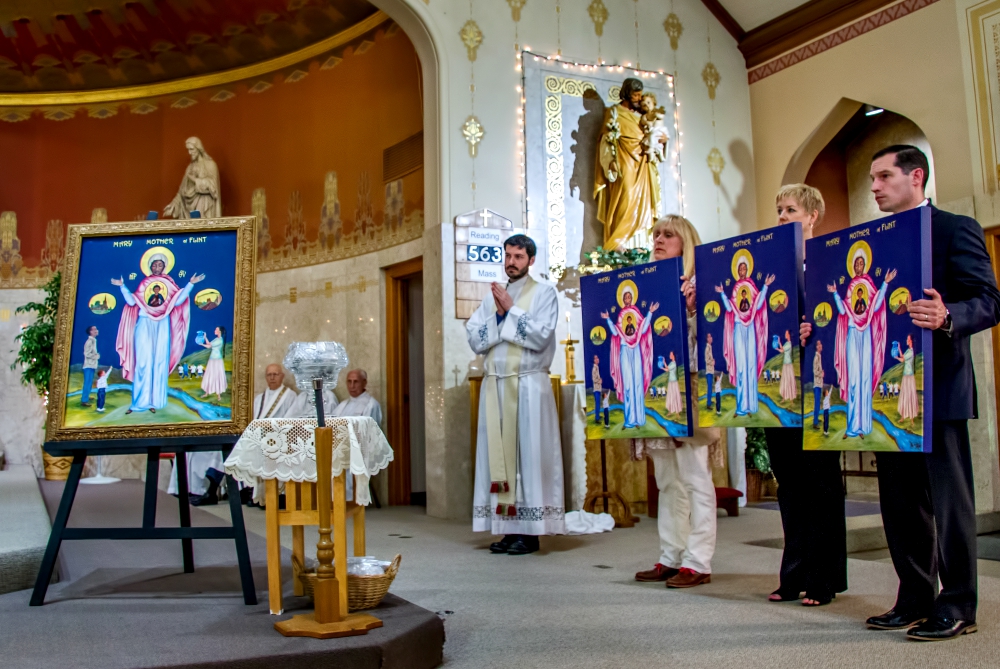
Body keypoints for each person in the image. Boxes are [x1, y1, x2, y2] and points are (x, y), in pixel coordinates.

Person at [850, 145, 1000, 640]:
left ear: (916, 177)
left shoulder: (956, 229)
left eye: (884, 176)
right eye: (872, 178)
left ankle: (958, 605)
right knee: (899, 501)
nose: (874, 186)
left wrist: (949, 315)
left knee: (948, 501)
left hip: (938, 386)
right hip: (885, 388)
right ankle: (914, 597)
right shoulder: (870, 241)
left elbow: (989, 300)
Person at [766, 183, 847, 607]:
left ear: (812, 216)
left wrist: (816, 329)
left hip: (819, 387)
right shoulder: (771, 267)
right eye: (778, 210)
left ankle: (824, 577)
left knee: (821, 482)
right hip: (780, 389)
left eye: (790, 209)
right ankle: (793, 572)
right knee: (789, 484)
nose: (781, 217)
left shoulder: (829, 261)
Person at [634, 215, 720, 589]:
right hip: (655, 390)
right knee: (666, 479)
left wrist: (692, 312)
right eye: (656, 234)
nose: (659, 239)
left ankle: (699, 560)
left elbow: (715, 334)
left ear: (686, 241)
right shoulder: (647, 288)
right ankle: (671, 555)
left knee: (695, 476)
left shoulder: (701, 284)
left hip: (690, 388)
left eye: (668, 234)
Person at [466, 234, 564, 555]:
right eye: (508, 256)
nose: (511, 262)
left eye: (518, 256)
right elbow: (475, 337)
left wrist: (510, 312)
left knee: (529, 457)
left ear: (531, 260)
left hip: (528, 386)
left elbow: (539, 336)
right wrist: (498, 315)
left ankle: (530, 532)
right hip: (496, 386)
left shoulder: (545, 293)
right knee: (501, 460)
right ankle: (508, 529)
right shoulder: (492, 296)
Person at [113, 254, 203, 414]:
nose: (156, 268)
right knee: (143, 362)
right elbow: (133, 302)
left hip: (162, 324)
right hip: (144, 322)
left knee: (159, 361)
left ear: (164, 267)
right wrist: (122, 286)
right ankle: (139, 403)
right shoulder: (145, 283)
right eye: (154, 265)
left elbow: (177, 300)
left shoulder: (168, 284)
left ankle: (155, 401)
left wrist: (190, 284)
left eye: (160, 265)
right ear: (150, 266)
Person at [828, 251, 896, 439]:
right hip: (852, 334)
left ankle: (864, 426)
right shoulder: (851, 287)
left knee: (864, 377)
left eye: (860, 263)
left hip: (865, 335)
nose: (858, 266)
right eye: (856, 264)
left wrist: (885, 283)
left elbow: (875, 305)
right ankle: (852, 427)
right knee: (853, 379)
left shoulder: (868, 285)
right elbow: (843, 310)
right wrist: (835, 294)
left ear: (864, 265)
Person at [594, 78, 663, 250]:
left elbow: (655, 133)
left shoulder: (642, 116)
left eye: (640, 95)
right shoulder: (614, 111)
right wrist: (609, 162)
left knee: (644, 201)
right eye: (635, 95)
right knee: (626, 194)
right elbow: (605, 138)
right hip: (624, 158)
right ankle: (618, 243)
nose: (639, 98)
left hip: (643, 161)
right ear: (626, 93)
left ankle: (638, 245)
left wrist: (661, 141)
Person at [717, 259, 773, 416]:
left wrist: (766, 286)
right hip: (738, 328)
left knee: (751, 365)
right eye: (739, 268)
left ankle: (752, 405)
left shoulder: (751, 287)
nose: (742, 271)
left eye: (744, 268)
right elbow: (730, 308)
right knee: (741, 366)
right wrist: (722, 293)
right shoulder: (735, 288)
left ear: (747, 270)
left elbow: (759, 303)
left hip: (750, 330)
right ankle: (742, 406)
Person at [602, 286, 657, 429]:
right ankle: (630, 420)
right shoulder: (621, 315)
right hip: (624, 350)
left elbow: (643, 328)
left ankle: (639, 419)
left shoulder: (636, 313)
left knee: (637, 383)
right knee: (628, 384)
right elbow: (615, 332)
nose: (627, 299)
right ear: (623, 299)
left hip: (636, 350)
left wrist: (650, 313)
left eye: (629, 297)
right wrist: (608, 319)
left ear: (632, 298)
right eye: (625, 297)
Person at [330, 369, 383, 501]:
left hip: (361, 448)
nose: (352, 386)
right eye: (349, 382)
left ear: (364, 383)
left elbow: (372, 431)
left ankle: (349, 500)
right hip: (341, 446)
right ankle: (334, 498)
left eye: (356, 382)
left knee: (345, 458)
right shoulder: (343, 405)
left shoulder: (371, 404)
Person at [164, 137, 221, 219]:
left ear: (199, 149)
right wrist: (174, 204)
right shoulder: (190, 168)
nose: (189, 152)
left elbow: (214, 188)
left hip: (204, 204)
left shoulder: (210, 165)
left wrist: (195, 180)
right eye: (188, 150)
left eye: (191, 149)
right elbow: (182, 190)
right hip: (188, 209)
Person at [896, 335, 919, 428]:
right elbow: (902, 357)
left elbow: (902, 360)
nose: (906, 340)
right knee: (905, 395)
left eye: (908, 339)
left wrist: (896, 357)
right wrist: (899, 349)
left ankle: (911, 419)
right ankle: (903, 416)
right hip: (906, 375)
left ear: (911, 341)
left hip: (909, 377)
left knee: (909, 396)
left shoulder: (911, 352)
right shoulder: (908, 351)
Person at [199, 326, 227, 401]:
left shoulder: (219, 340)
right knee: (210, 374)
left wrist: (202, 344)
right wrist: (205, 338)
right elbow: (209, 344)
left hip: (216, 361)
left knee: (217, 375)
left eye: (216, 329)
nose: (215, 330)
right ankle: (207, 392)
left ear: (219, 332)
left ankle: (218, 395)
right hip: (212, 360)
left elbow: (209, 346)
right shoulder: (216, 339)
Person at [775, 330, 797, 401]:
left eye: (786, 333)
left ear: (789, 335)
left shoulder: (789, 344)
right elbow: (782, 351)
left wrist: (779, 343)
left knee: (789, 380)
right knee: (785, 380)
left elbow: (783, 350)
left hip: (788, 364)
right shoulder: (787, 343)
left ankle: (790, 398)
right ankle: (784, 397)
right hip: (785, 364)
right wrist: (777, 348)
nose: (785, 334)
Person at [81, 325, 99, 407]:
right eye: (94, 329)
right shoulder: (89, 341)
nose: (96, 330)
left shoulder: (93, 341)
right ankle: (84, 401)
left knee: (89, 382)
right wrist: (95, 356)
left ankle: (86, 397)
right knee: (87, 382)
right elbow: (86, 353)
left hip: (91, 365)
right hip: (88, 365)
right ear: (90, 332)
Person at [662, 352, 683, 417]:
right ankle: (670, 411)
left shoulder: (674, 364)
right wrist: (664, 362)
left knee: (675, 396)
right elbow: (667, 368)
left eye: (671, 354)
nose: (670, 355)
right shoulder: (671, 363)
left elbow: (667, 369)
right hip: (670, 382)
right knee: (670, 396)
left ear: (673, 355)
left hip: (674, 382)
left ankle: (677, 412)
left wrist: (662, 368)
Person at [812, 341, 824, 429]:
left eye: (821, 344)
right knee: (816, 403)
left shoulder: (819, 356)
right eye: (819, 344)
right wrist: (821, 374)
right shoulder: (816, 357)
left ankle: (816, 418)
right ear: (816, 347)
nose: (821, 345)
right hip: (817, 384)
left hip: (819, 384)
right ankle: (815, 423)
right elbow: (815, 371)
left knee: (818, 403)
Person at [704, 333, 715, 409]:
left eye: (711, 336)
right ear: (707, 339)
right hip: (709, 371)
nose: (711, 338)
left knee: (711, 387)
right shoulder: (707, 348)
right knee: (709, 387)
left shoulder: (710, 347)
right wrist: (712, 362)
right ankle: (708, 404)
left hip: (711, 370)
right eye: (709, 337)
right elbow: (706, 360)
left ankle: (709, 401)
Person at [591, 355, 603, 424]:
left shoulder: (597, 368)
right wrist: (599, 381)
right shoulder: (594, 368)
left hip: (598, 388)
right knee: (597, 403)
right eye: (595, 358)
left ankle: (598, 416)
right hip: (596, 389)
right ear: (594, 360)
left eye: (597, 358)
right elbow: (594, 379)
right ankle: (597, 419)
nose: (597, 359)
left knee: (598, 403)